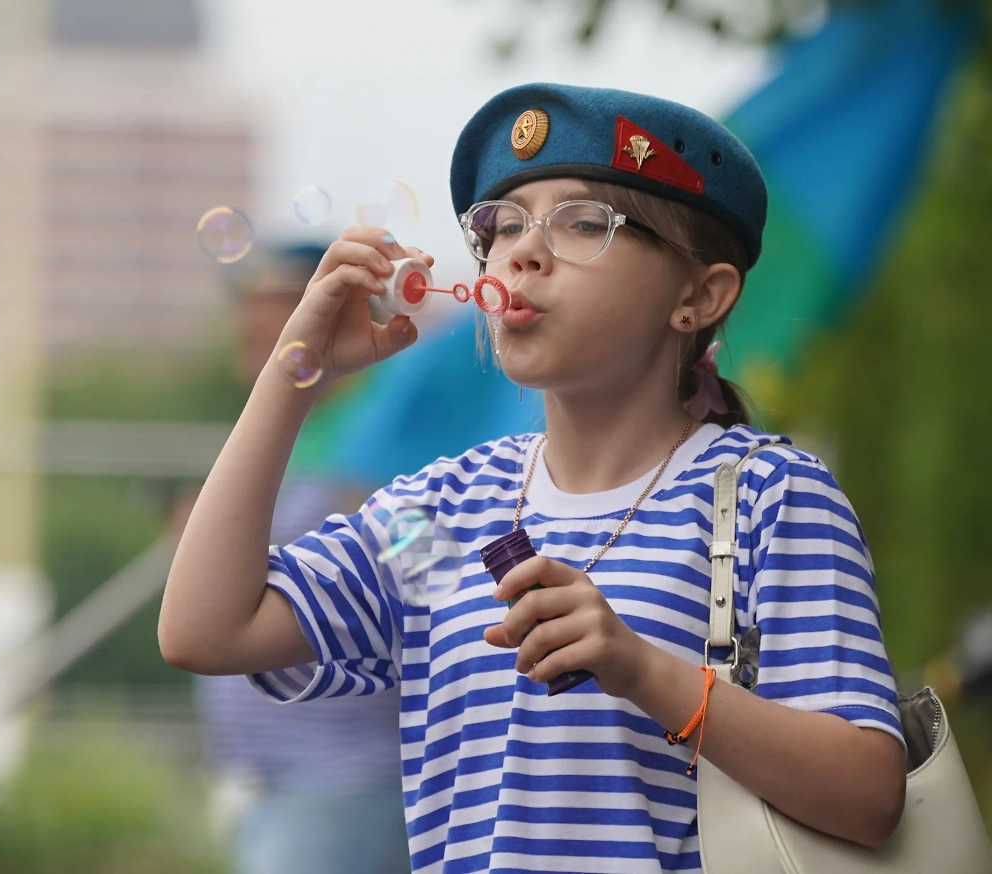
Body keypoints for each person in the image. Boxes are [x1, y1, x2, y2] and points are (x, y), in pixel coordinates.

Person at [159, 85, 907, 873]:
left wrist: (642, 669)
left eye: (583, 223)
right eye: (501, 226)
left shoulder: (768, 497)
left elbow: (869, 793)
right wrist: (292, 373)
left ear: (699, 296)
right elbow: (206, 629)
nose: (520, 252)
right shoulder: (444, 504)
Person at [184, 243, 409, 874]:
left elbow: (438, 583)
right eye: (247, 304)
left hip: (346, 785)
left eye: (279, 304)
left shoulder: (387, 442)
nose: (255, 323)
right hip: (280, 785)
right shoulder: (297, 438)